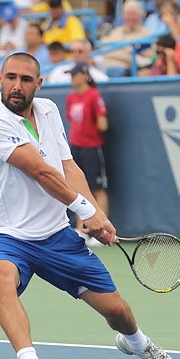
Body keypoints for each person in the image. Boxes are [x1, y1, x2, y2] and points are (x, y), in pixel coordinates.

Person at [0, 52, 177, 359]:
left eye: (25, 79)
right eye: (10, 77)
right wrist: (85, 210)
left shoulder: (49, 111)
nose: (17, 86)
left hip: (57, 237)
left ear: (39, 84)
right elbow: (41, 172)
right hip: (9, 237)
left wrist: (96, 215)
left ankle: (139, 343)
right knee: (1, 280)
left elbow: (68, 168)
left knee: (116, 311)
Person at [65, 61, 109, 246]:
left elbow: (103, 124)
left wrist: (90, 129)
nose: (72, 78)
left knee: (97, 188)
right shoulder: (71, 97)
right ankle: (81, 229)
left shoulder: (93, 95)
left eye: (75, 74)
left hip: (92, 147)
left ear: (84, 75)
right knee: (77, 190)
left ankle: (103, 230)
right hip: (75, 147)